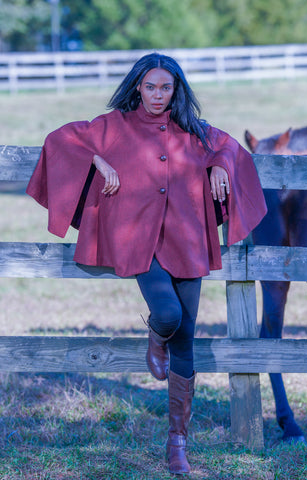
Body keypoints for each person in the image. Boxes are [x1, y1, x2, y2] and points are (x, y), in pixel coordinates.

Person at [26, 53, 267, 475]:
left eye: (166, 88)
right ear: (138, 85)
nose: (158, 95)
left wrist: (217, 165)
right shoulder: (114, 125)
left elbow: (231, 148)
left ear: (177, 90)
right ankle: (155, 335)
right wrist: (95, 159)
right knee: (169, 314)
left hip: (187, 238)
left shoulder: (193, 130)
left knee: (187, 338)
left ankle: (178, 443)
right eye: (151, 87)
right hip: (139, 241)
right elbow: (61, 140)